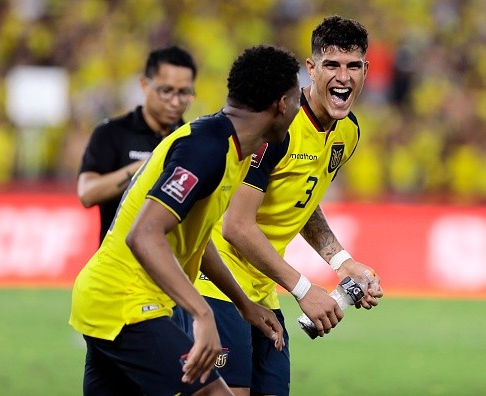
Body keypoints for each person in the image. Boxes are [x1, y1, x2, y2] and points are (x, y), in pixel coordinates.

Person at [69, 45, 302, 395]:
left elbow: (198, 238)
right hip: (126, 301)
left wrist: (244, 304)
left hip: (112, 298)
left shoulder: (231, 147)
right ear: (282, 104)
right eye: (299, 99)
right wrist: (202, 313)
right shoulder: (207, 148)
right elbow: (144, 235)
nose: (300, 109)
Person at [187, 16, 385, 396]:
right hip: (215, 280)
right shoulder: (277, 125)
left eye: (353, 66)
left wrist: (342, 261)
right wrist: (304, 288)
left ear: (365, 72)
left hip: (262, 289)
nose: (343, 77)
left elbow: (302, 201)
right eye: (331, 65)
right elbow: (236, 226)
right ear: (311, 69)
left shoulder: (348, 131)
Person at [77, 45, 197, 243]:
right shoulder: (112, 133)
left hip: (171, 265)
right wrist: (150, 165)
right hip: (117, 265)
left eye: (184, 93)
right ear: (144, 84)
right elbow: (87, 193)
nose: (175, 102)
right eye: (166, 91)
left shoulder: (193, 140)